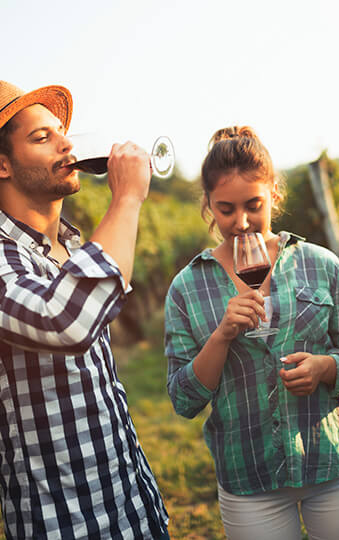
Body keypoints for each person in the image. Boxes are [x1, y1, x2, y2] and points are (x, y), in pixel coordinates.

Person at [164, 126, 339, 540]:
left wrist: (325, 368)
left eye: (253, 205)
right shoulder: (187, 287)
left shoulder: (320, 264)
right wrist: (223, 334)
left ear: (274, 195)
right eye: (225, 209)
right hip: (249, 482)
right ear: (207, 205)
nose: (241, 222)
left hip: (333, 462)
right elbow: (184, 399)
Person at [0, 80, 169, 539]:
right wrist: (128, 198)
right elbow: (64, 321)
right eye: (42, 137)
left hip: (132, 506)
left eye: (61, 130)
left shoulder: (74, 247)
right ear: (2, 165)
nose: (66, 143)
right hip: (64, 524)